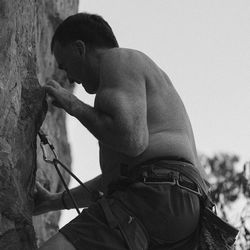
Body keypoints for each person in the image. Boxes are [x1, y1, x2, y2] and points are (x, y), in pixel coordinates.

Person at [35, 12, 209, 250]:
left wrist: (72, 105)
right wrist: (53, 202)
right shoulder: (147, 103)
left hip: (155, 195)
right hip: (180, 216)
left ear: (80, 48)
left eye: (65, 66)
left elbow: (132, 140)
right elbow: (114, 179)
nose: (70, 78)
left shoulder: (119, 59)